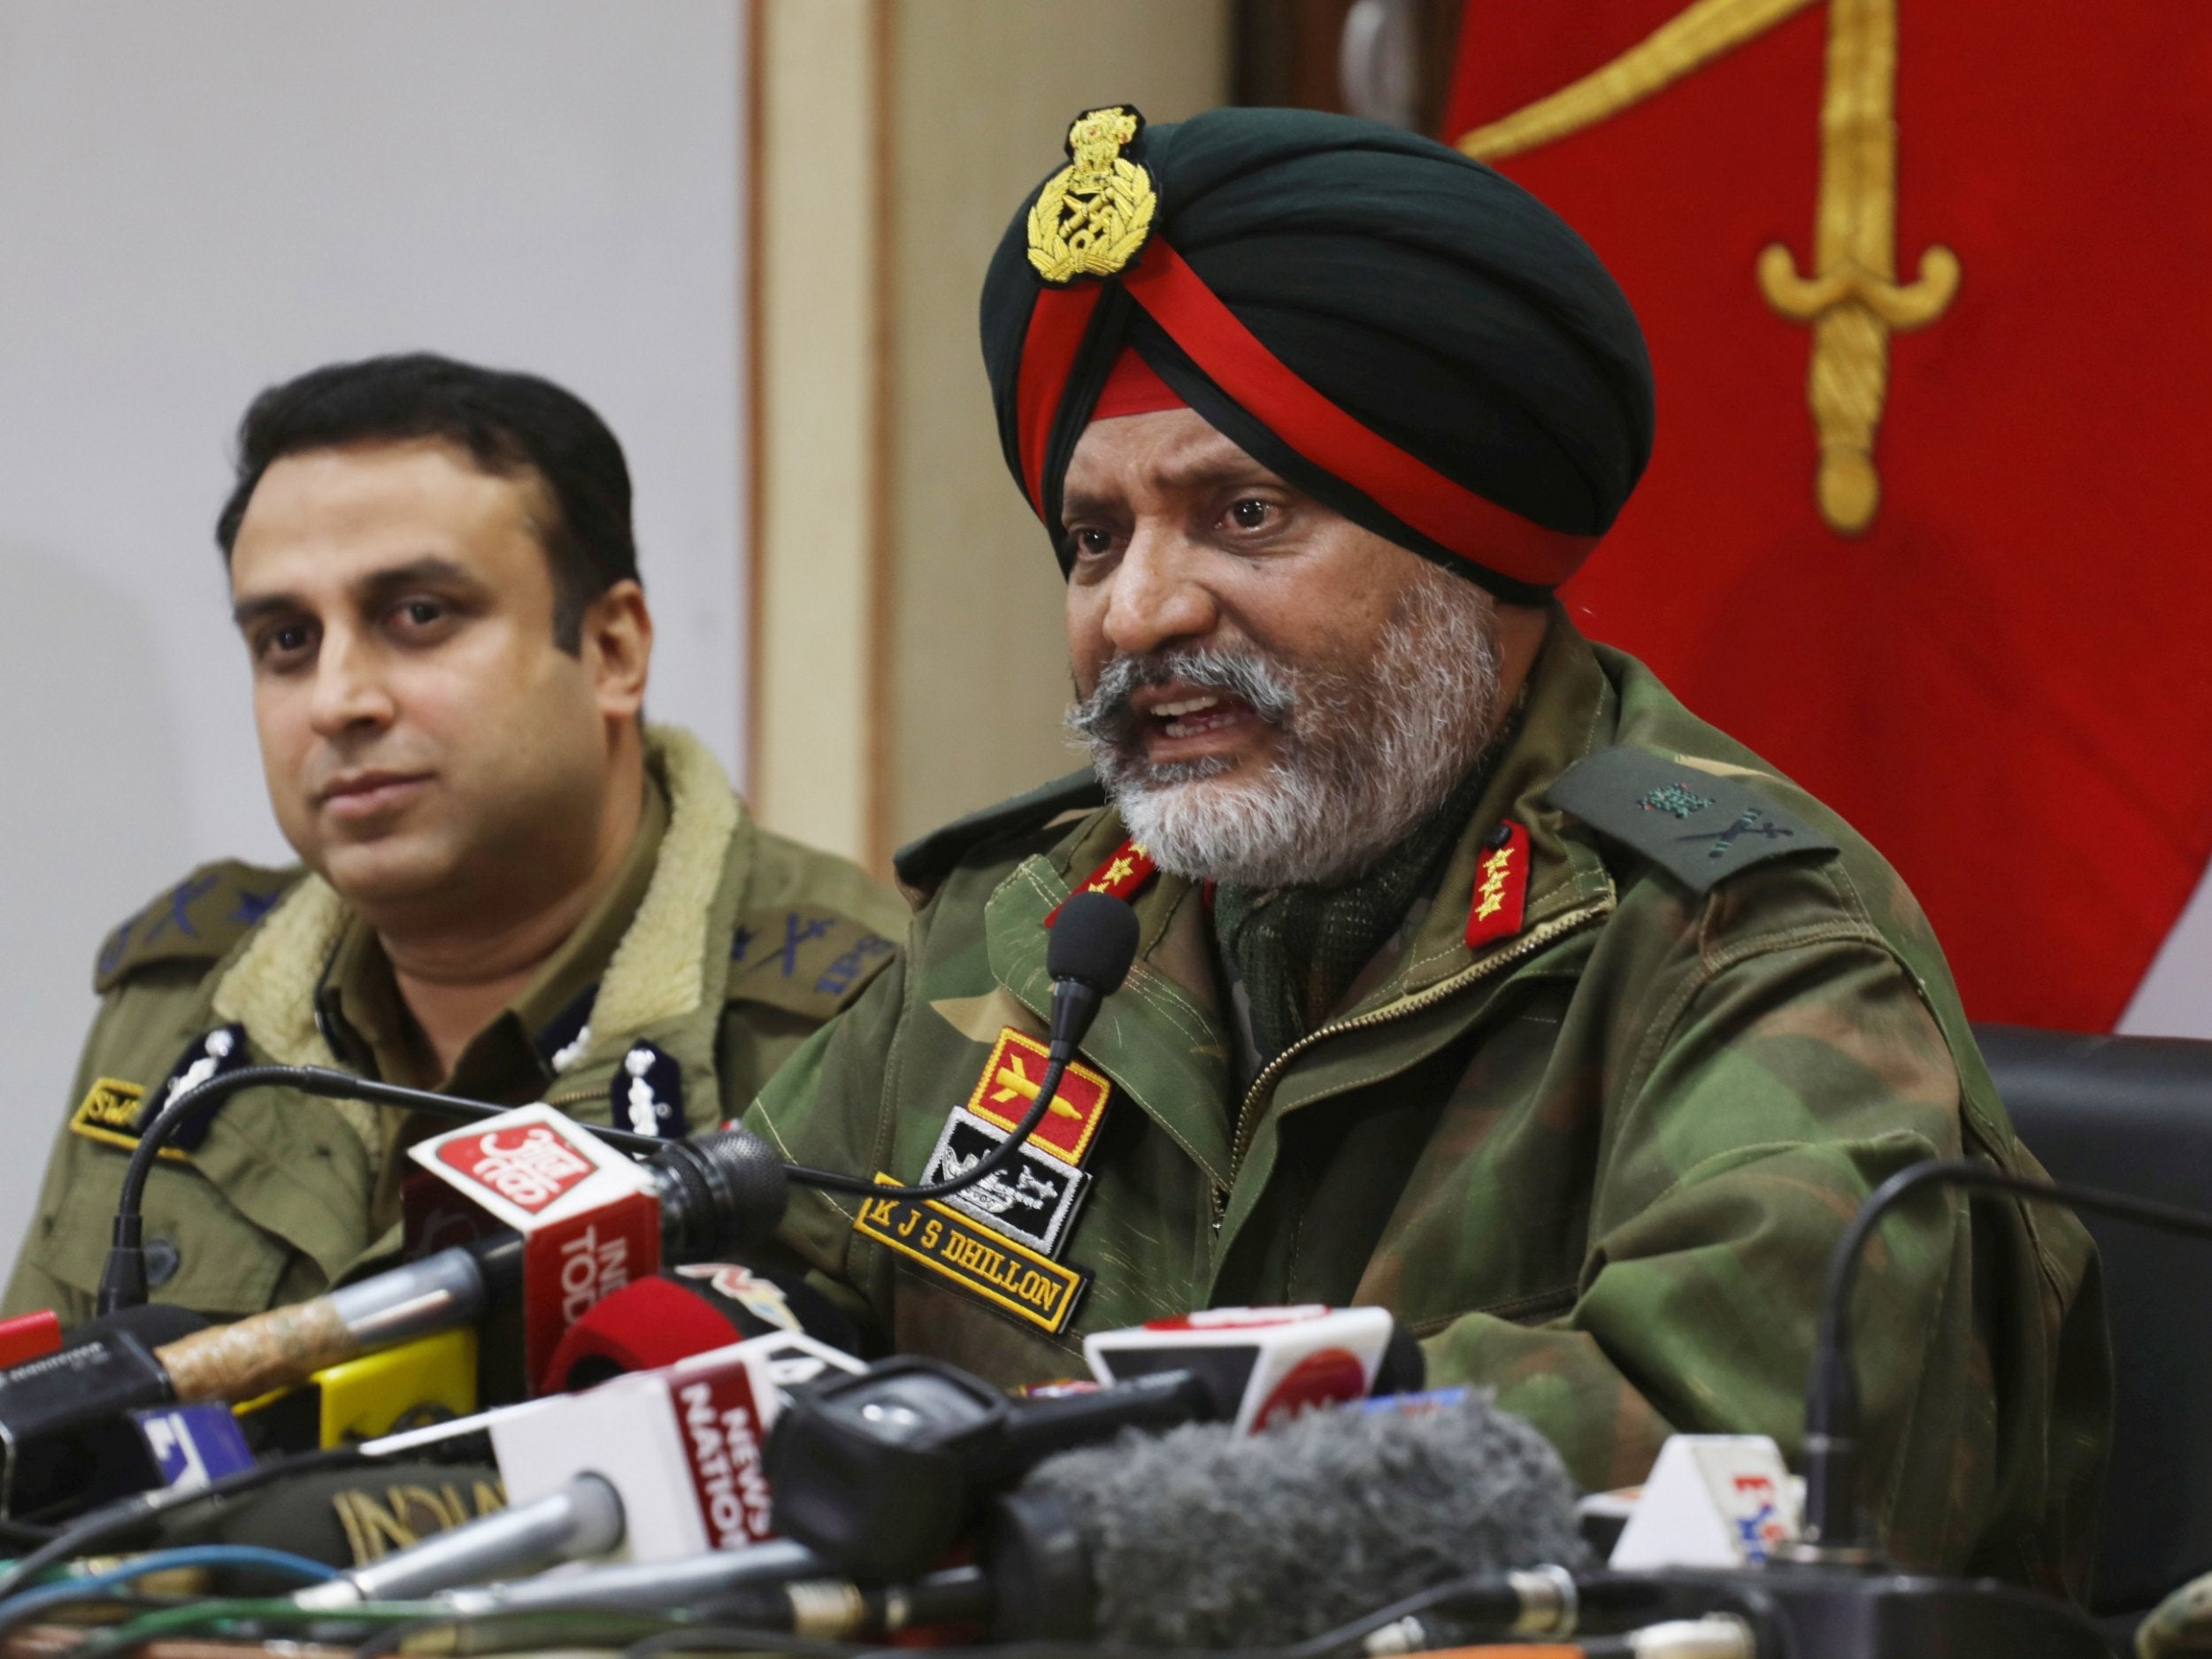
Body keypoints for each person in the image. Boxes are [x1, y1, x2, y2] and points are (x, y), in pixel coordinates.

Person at [745, 108, 2108, 1591]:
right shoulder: (1027, 926)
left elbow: (1757, 1451)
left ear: (1469, 559)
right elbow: (758, 1275)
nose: (1135, 613)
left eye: (1242, 513)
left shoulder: (1743, 946)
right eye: (1092, 537)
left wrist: (1098, 1510)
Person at [5, 354, 906, 1328]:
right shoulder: (177, 1003)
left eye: (418, 616)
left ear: (613, 650)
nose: (339, 701)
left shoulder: (874, 1021)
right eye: (286, 641)